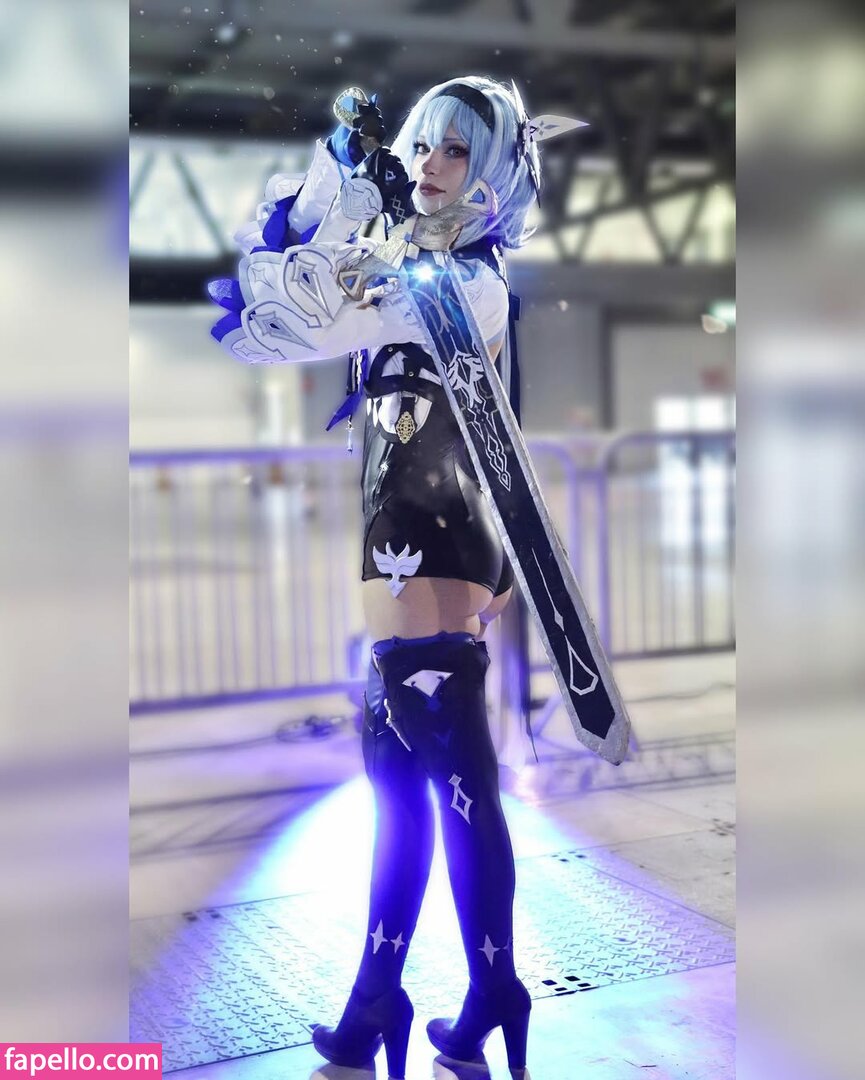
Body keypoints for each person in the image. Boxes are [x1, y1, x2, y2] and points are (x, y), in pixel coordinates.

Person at [210, 75, 543, 1078]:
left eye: (458, 151)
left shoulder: (466, 283)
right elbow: (303, 295)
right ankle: (384, 1005)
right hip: (403, 540)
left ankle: (477, 990)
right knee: (401, 785)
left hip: (427, 544)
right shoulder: (420, 263)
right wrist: (336, 181)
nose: (432, 166)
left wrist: (330, 215)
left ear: (493, 174)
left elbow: (304, 317)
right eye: (424, 144)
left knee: (451, 787)